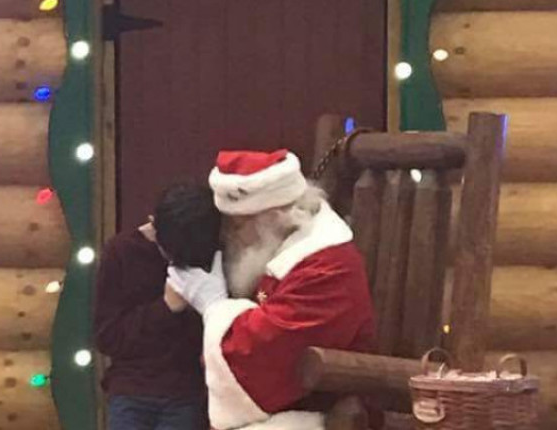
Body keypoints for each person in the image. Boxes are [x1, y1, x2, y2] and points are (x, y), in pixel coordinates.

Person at [168, 149, 377, 430]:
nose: (229, 237)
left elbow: (262, 359)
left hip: (322, 411)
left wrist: (214, 306)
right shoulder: (273, 247)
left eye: (238, 226)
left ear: (276, 217)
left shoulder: (326, 267)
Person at [93, 184, 220, 430]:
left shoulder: (207, 252)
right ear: (153, 224)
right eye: (169, 252)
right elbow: (108, 338)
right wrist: (165, 308)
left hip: (186, 390)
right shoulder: (121, 252)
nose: (174, 261)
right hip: (132, 387)